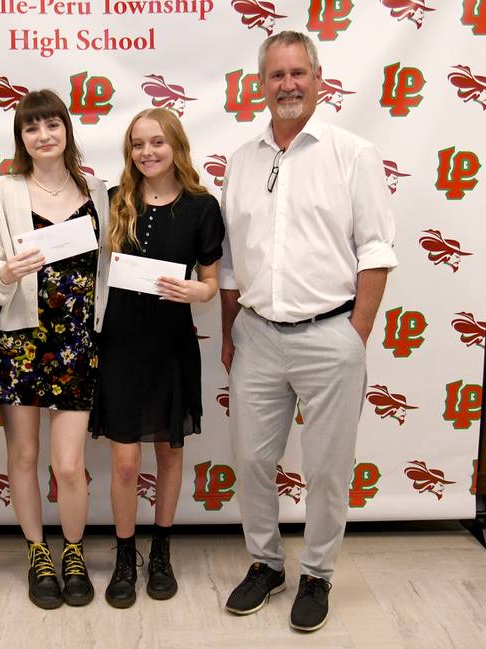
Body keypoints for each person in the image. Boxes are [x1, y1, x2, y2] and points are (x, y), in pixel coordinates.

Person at [219, 31, 397, 632]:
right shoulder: (242, 161)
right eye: (276, 75)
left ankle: (317, 574)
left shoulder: (352, 152)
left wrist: (357, 332)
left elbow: (376, 249)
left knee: (326, 467)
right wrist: (228, 333)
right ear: (260, 85)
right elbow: (227, 262)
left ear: (318, 79)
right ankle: (266, 564)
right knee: (250, 459)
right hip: (256, 335)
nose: (288, 85)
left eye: (298, 73)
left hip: (330, 336)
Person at [0, 89, 110, 609]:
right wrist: (6, 271)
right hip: (21, 340)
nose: (44, 135)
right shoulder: (3, 190)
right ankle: (38, 552)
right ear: (22, 138)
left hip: (79, 341)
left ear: (66, 130)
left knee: (70, 463)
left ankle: (72, 551)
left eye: (52, 125)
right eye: (32, 128)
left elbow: (108, 262)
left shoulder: (95, 189)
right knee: (24, 456)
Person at [92, 108, 224, 608]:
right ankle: (127, 554)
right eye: (137, 144)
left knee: (170, 453)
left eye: (157, 142)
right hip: (121, 347)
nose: (146, 152)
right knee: (125, 464)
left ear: (177, 146)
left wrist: (198, 291)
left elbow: (213, 284)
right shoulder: (113, 202)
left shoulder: (202, 207)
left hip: (171, 346)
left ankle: (162, 548)